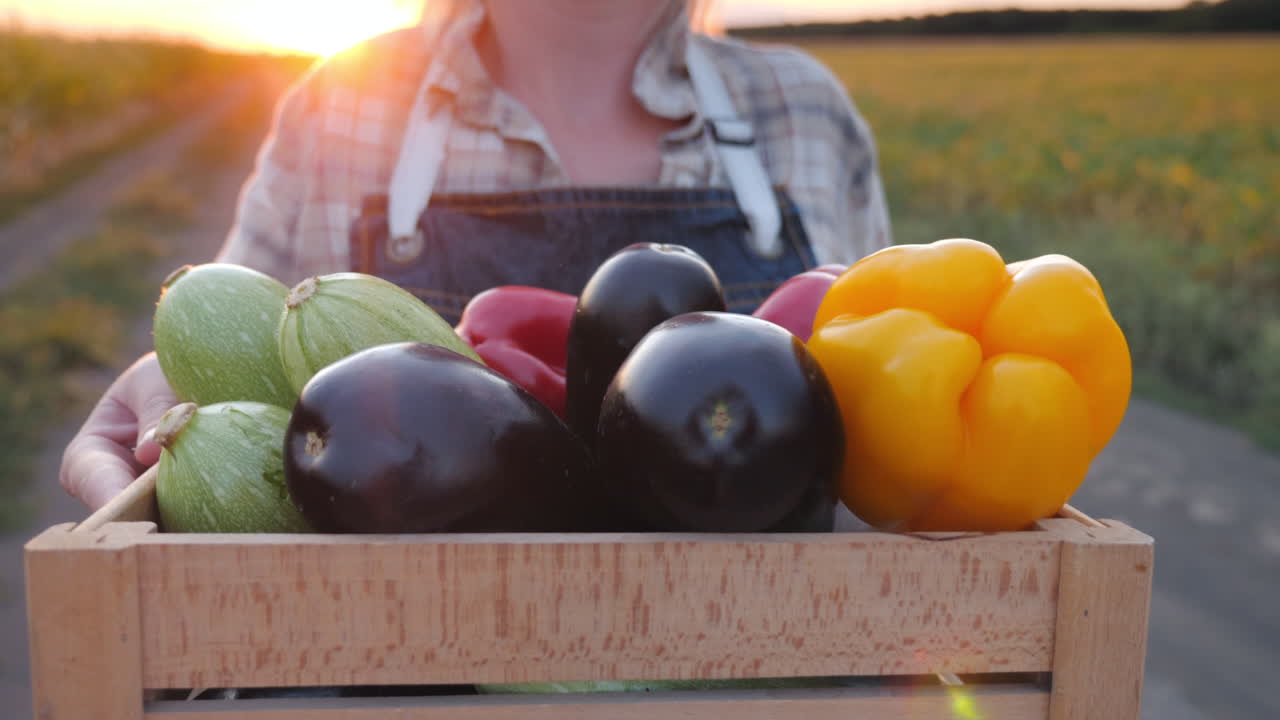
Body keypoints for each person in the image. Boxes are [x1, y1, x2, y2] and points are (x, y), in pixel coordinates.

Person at [59, 0, 892, 511]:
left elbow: (874, 427)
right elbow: (245, 367)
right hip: (405, 667)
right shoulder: (340, 110)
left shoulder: (803, 112)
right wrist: (175, 390)